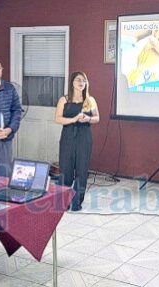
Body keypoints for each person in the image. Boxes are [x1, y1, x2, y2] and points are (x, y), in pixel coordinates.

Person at [55, 71, 99, 211]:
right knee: (65, 169)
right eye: (78, 80)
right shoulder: (64, 99)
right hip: (68, 135)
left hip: (84, 136)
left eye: (84, 81)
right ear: (72, 82)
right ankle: (64, 201)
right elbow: (58, 118)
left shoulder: (89, 100)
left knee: (81, 169)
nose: (81, 83)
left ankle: (77, 202)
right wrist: (73, 120)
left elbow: (97, 118)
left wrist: (88, 119)